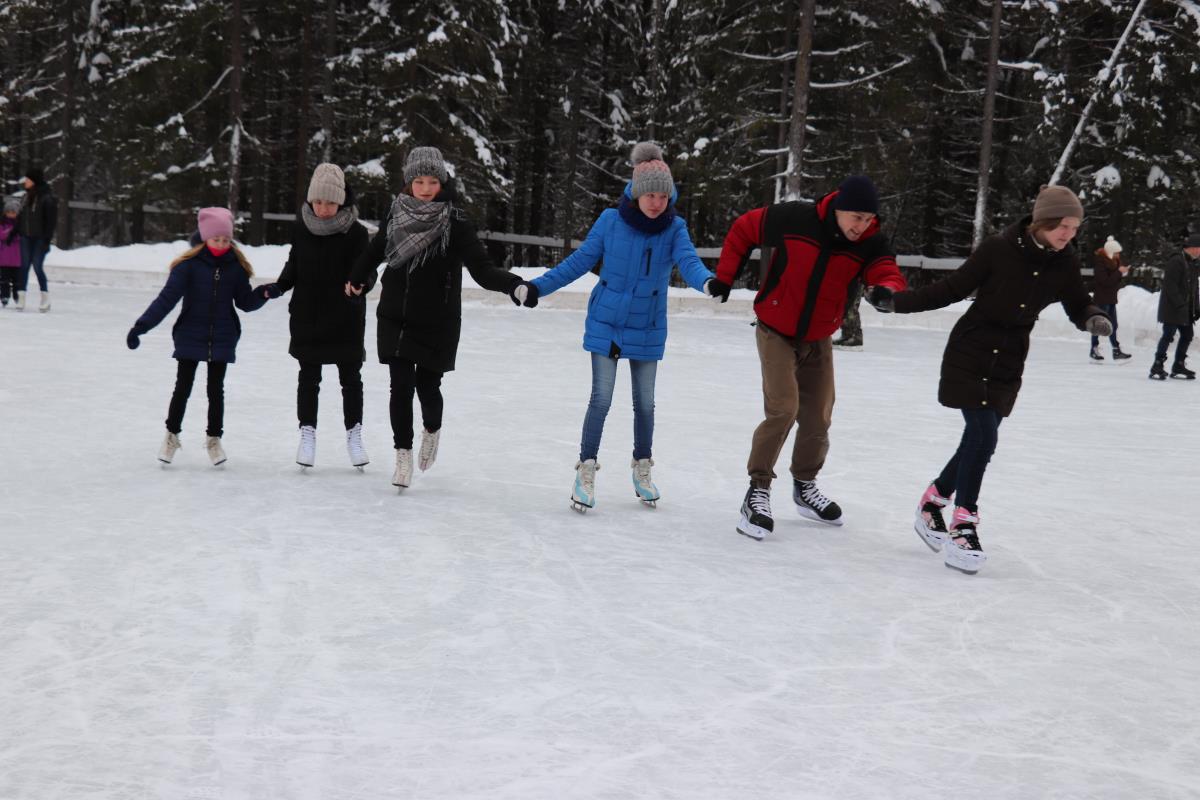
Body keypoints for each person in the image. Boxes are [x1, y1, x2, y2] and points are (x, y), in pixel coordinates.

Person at [872, 184, 1111, 574]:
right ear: (1042, 221)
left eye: (1074, 227)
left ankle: (933, 501)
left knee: (977, 439)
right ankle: (963, 524)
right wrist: (896, 302)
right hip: (971, 351)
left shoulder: (1064, 261)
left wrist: (1091, 317)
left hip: (1009, 360)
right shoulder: (998, 250)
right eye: (1062, 226)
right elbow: (950, 289)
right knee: (984, 435)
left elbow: (1076, 302)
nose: (1068, 234)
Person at [709, 175, 907, 540]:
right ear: (838, 208)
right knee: (784, 407)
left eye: (867, 219)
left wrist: (886, 289)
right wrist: (725, 277)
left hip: (818, 337)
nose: (860, 226)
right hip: (775, 330)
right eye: (855, 217)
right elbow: (743, 228)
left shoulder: (869, 241)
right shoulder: (796, 219)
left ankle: (804, 484)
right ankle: (758, 490)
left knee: (818, 417)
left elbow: (885, 268)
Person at [524, 142, 715, 511]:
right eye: (650, 194)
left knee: (645, 404)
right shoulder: (611, 222)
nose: (656, 202)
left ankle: (642, 468)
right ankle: (586, 468)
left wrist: (708, 282)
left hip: (648, 325)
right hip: (607, 323)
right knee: (602, 398)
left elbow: (689, 262)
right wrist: (537, 288)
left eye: (663, 195)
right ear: (636, 192)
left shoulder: (674, 229)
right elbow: (579, 262)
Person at [346, 146, 527, 489]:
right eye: (419, 181)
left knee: (428, 388)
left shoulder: (455, 221)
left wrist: (514, 286)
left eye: (432, 181)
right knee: (400, 386)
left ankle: (431, 429)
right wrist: (356, 278)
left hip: (437, 319)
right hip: (396, 314)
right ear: (409, 182)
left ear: (441, 182)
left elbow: (482, 269)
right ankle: (403, 455)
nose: (426, 188)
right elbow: (375, 251)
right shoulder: (396, 213)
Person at [126, 207, 274, 466]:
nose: (222, 244)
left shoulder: (235, 268)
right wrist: (141, 327)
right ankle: (171, 436)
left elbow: (245, 302)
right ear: (205, 238)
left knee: (216, 390)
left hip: (223, 335)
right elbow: (166, 301)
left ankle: (214, 440)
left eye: (226, 240)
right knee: (182, 387)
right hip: (190, 334)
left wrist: (262, 294)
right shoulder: (188, 267)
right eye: (217, 239)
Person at [259, 164, 372, 469]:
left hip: (345, 316)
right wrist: (279, 287)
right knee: (309, 378)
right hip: (308, 314)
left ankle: (354, 435)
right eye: (318, 202)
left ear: (342, 202)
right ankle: (307, 434)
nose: (323, 209)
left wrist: (360, 284)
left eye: (330, 202)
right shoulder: (301, 228)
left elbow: (367, 269)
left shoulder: (357, 233)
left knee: (351, 379)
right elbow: (294, 264)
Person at [1149, 232, 1200, 380]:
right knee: (1168, 335)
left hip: (1185, 309)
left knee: (1187, 335)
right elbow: (1170, 286)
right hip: (1172, 308)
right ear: (1193, 248)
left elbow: (1194, 288)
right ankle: (1157, 365)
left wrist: (1195, 307)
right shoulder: (1176, 261)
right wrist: (1180, 305)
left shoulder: (1194, 263)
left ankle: (1178, 365)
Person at [15, 165, 58, 312]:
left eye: (27, 179)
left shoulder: (46, 198)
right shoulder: (26, 197)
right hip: (26, 237)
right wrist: (14, 232)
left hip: (40, 238)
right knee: (24, 266)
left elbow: (51, 221)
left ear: (34, 180)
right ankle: (21, 296)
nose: (25, 182)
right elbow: (20, 218)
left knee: (37, 266)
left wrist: (47, 239)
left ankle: (45, 297)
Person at [1089, 235, 1131, 362]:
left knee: (1113, 325)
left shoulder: (1115, 261)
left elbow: (1114, 279)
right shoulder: (1101, 262)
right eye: (1117, 253)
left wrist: (1122, 272)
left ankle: (1116, 350)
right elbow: (1105, 281)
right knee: (1099, 325)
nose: (1118, 255)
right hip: (1101, 299)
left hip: (1111, 299)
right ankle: (1094, 349)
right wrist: (1119, 272)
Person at [0, 197, 21, 307]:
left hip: (17, 259)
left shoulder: (20, 226)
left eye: (13, 212)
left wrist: (14, 233)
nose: (10, 214)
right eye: (8, 212)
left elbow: (21, 237)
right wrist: (9, 232)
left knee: (17, 281)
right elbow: (2, 235)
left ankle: (17, 296)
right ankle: (4, 296)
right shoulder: (2, 224)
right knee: (4, 280)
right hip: (4, 259)